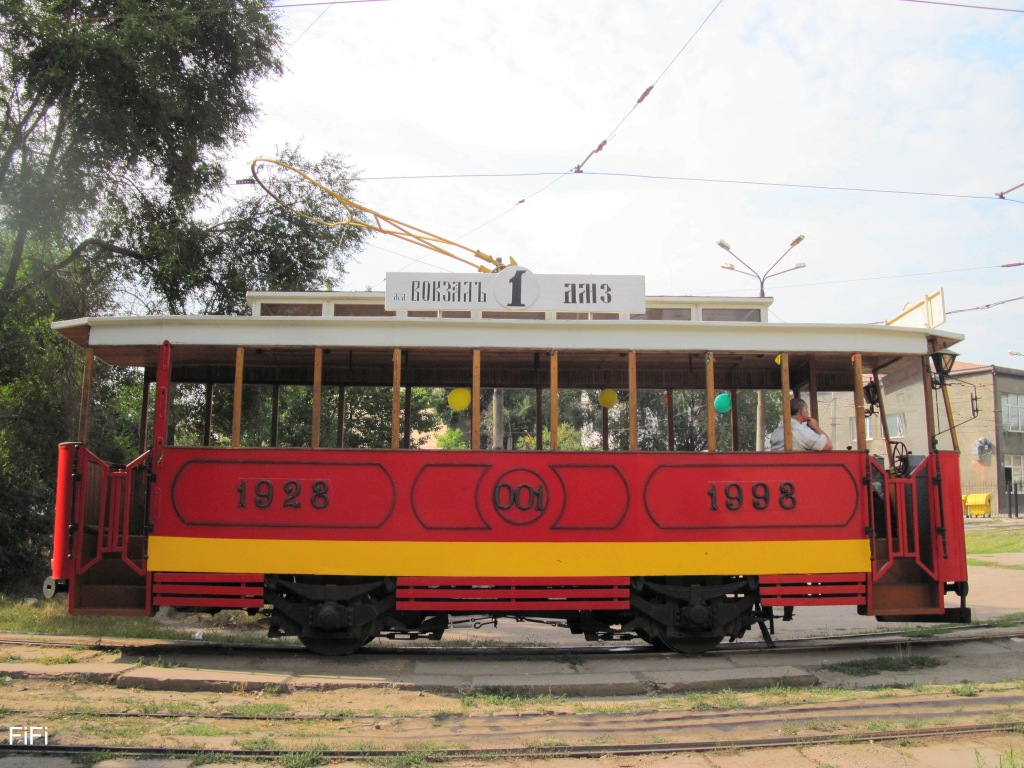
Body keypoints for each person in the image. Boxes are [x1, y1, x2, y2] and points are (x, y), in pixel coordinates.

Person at [768, 397, 832, 452]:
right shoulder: (800, 431)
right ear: (801, 411)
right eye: (806, 409)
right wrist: (816, 427)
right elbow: (828, 445)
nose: (808, 412)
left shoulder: (776, 431)